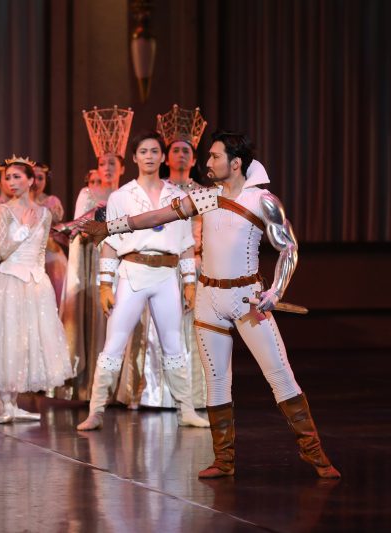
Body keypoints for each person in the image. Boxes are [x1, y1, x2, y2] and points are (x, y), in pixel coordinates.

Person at [81, 131, 340, 479]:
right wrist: (110, 227)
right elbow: (157, 217)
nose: (208, 162)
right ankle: (223, 459)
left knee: (280, 375)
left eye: (215, 156)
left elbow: (289, 248)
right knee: (217, 381)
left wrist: (276, 291)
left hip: (247, 299)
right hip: (209, 299)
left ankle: (314, 453)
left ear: (236, 163)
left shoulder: (262, 200)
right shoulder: (205, 197)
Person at [76, 131, 209, 431]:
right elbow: (110, 242)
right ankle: (96, 411)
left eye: (154, 151)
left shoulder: (177, 197)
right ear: (135, 157)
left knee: (174, 345)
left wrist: (189, 283)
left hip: (166, 275)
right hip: (132, 272)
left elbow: (187, 243)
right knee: (114, 344)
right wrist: (105, 284)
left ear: (162, 157)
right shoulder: (121, 196)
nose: (149, 156)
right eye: (143, 151)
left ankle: (186, 409)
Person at [0, 155, 73, 423]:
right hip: (9, 279)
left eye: (17, 177)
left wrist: (41, 278)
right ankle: (6, 403)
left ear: (31, 180)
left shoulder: (44, 213)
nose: (11, 182)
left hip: (34, 281)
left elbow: (41, 249)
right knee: (8, 339)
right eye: (8, 177)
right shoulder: (4, 210)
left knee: (27, 340)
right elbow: (2, 250)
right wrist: (23, 227)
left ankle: (13, 404)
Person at [61, 106, 133, 401]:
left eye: (113, 163)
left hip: (122, 262)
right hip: (94, 263)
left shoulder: (128, 194)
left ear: (122, 168)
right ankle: (91, 386)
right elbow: (78, 230)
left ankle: (118, 388)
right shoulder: (88, 194)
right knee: (96, 320)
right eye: (103, 163)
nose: (107, 168)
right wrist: (93, 223)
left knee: (119, 321)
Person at [30, 161, 67, 306]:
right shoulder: (20, 202)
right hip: (29, 254)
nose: (36, 182)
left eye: (40, 178)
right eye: (33, 177)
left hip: (50, 254)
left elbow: (57, 226)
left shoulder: (51, 202)